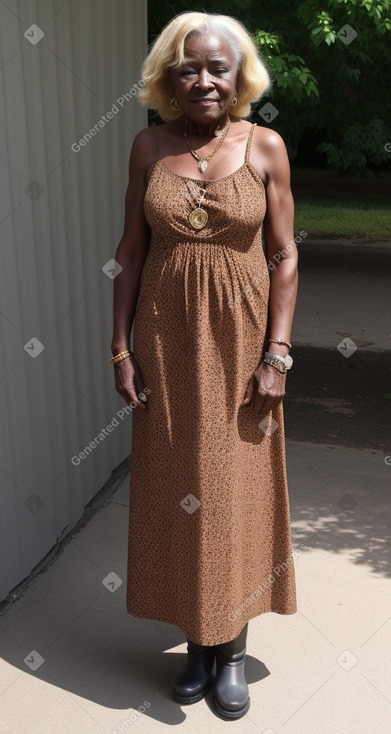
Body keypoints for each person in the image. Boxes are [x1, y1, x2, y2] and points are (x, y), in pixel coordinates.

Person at [110, 10, 298, 720]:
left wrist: (277, 353)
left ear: (238, 74)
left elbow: (283, 255)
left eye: (216, 67)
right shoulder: (147, 148)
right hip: (164, 346)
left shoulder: (265, 147)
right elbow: (129, 253)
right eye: (188, 68)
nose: (203, 80)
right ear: (168, 76)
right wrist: (120, 347)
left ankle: (229, 654)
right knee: (176, 490)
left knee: (233, 495)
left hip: (243, 348)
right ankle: (195, 644)